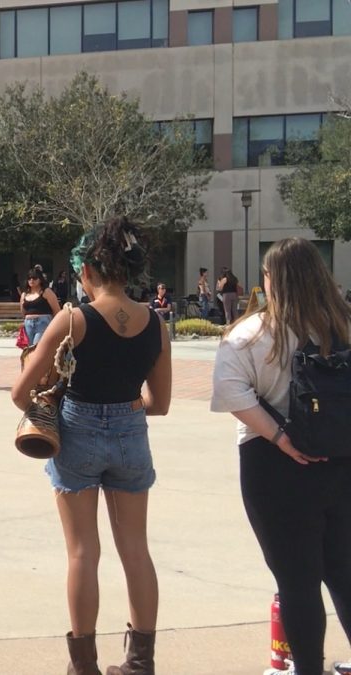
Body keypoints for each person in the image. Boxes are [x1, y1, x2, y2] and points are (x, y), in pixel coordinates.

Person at [11, 217, 171, 675]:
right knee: (135, 549)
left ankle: (84, 666)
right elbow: (157, 404)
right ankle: (140, 663)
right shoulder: (154, 325)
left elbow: (21, 393)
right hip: (131, 435)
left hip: (76, 435)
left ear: (88, 272)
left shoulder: (74, 318)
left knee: (83, 552)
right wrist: (125, 406)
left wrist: (52, 400)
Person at [210, 238, 351, 675]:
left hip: (274, 468)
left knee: (296, 579)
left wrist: (278, 436)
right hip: (342, 460)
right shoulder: (343, 327)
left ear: (273, 280)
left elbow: (231, 393)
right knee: (344, 571)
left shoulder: (251, 334)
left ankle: (308, 667)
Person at [22, 266, 62, 346]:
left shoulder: (46, 292)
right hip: (28, 323)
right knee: (29, 349)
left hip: (43, 322)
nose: (31, 280)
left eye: (34, 278)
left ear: (40, 279)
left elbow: (57, 310)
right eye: (29, 278)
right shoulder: (25, 294)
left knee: (37, 346)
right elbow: (23, 311)